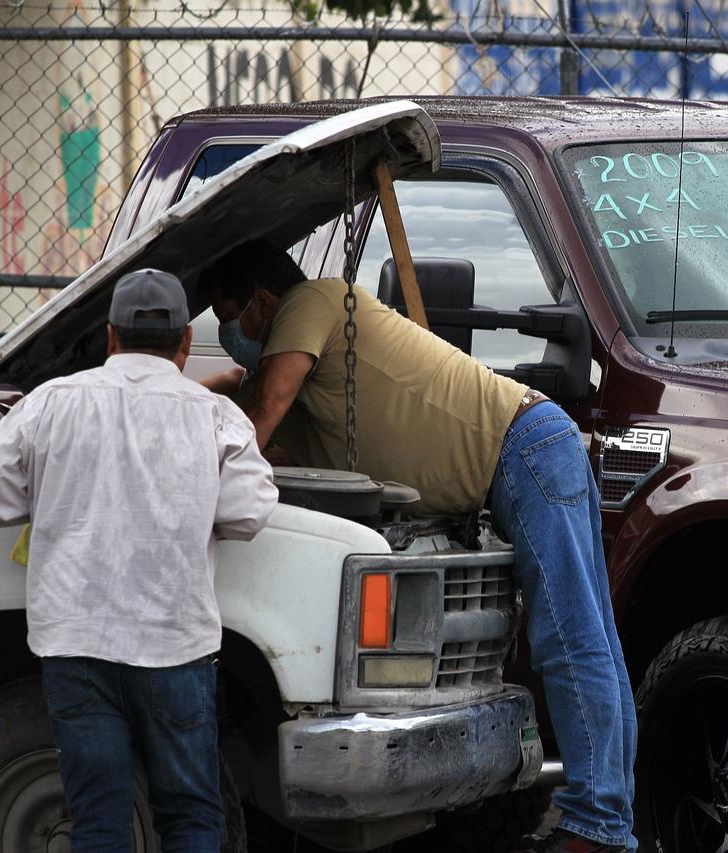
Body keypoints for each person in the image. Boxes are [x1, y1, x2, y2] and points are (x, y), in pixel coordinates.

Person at [201, 241, 637, 853]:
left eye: (229, 315)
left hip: (524, 448)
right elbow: (242, 399)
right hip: (535, 452)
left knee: (571, 642)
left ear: (263, 303)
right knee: (593, 643)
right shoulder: (309, 373)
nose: (228, 333)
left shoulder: (314, 300)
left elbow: (261, 411)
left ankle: (597, 826)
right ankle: (609, 822)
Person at [0, 269, 278, 851]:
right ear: (186, 341)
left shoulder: (49, 404)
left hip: (75, 645)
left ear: (111, 336)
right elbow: (248, 513)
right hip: (174, 647)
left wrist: (57, 490)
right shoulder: (215, 417)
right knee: (189, 816)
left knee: (99, 821)